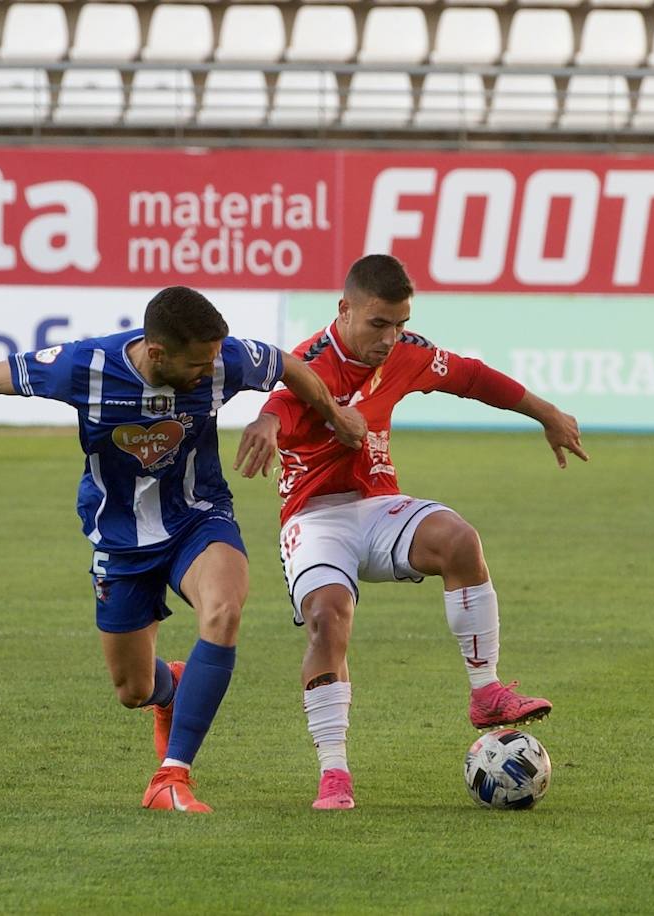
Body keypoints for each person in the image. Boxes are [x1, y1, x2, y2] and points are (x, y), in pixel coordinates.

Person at [0, 286, 365, 814]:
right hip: (120, 539)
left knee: (224, 610)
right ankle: (170, 690)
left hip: (198, 517)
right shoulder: (86, 366)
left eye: (214, 358)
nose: (209, 371)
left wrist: (331, 413)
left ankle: (171, 777)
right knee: (132, 688)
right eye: (197, 363)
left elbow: (287, 364)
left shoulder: (222, 359)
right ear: (157, 352)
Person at [235, 254, 588, 811]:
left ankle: (487, 694)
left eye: (399, 323)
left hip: (378, 508)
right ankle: (334, 773)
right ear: (344, 309)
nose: (390, 337)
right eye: (379, 324)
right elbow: (279, 406)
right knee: (329, 619)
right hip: (315, 519)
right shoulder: (313, 363)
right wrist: (264, 423)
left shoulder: (407, 352)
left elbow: (471, 377)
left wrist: (545, 412)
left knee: (459, 539)